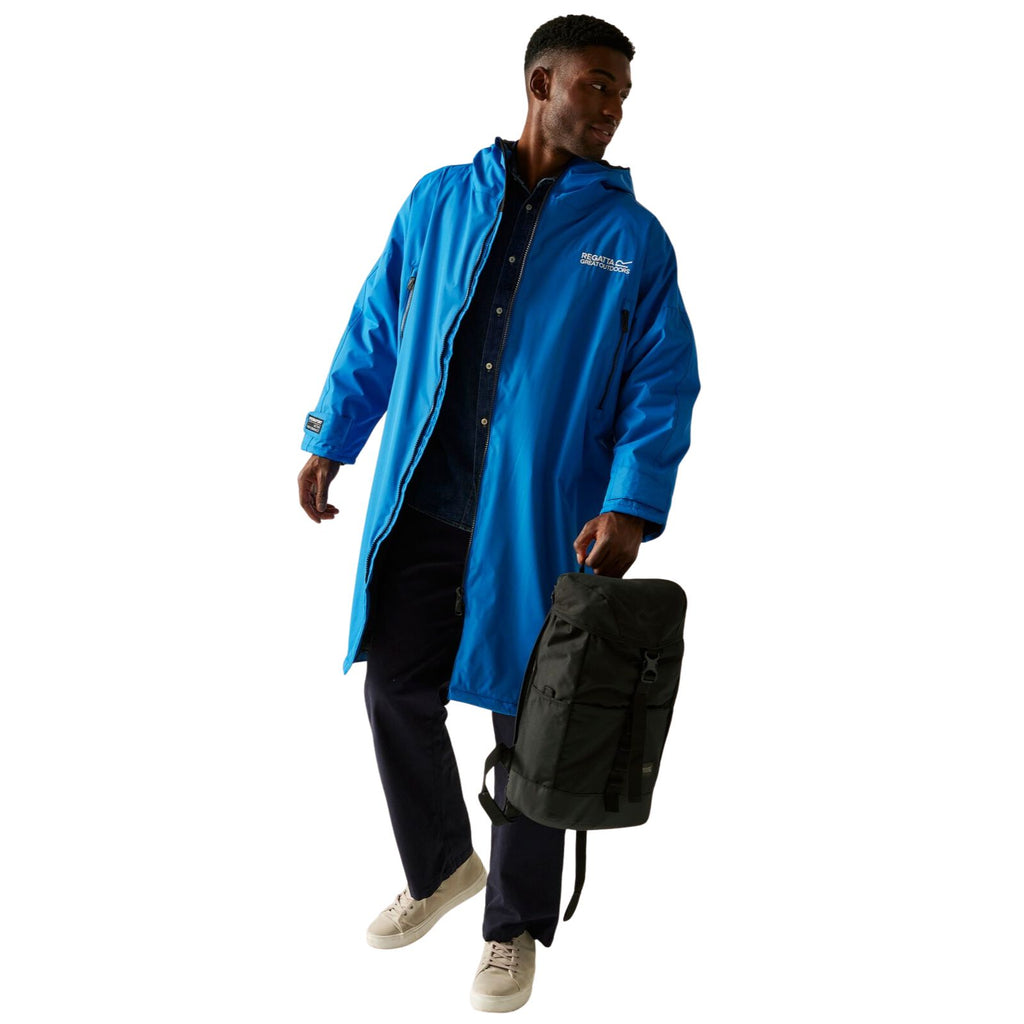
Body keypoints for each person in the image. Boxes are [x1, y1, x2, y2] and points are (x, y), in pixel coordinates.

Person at [297, 14, 699, 1013]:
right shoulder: (441, 199)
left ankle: (510, 928)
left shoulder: (632, 241)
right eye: (596, 84)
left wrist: (630, 504)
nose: (611, 109)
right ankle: (442, 865)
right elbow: (378, 324)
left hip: (542, 519)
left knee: (537, 729)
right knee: (395, 689)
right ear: (539, 83)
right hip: (426, 504)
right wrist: (331, 432)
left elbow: (661, 384)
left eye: (622, 94)